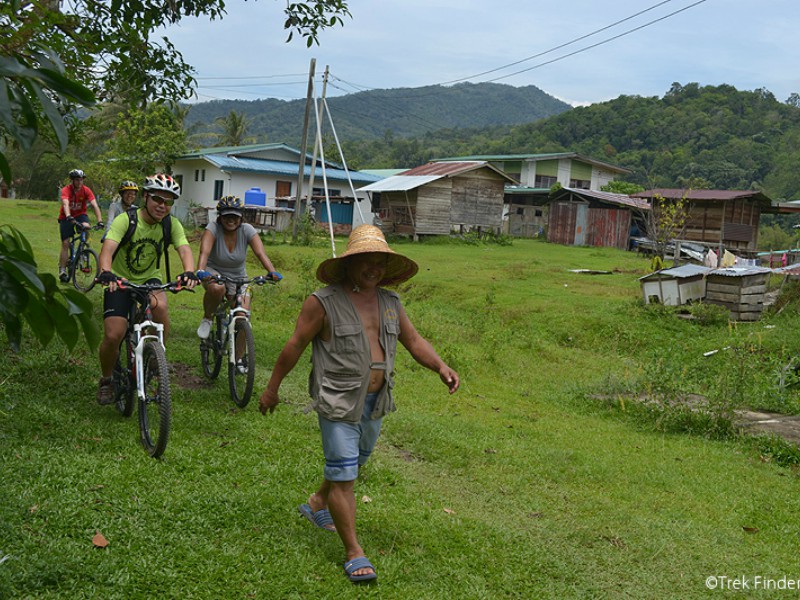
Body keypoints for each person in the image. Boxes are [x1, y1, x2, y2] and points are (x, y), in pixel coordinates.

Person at [258, 224, 460, 584]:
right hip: (337, 400)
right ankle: (354, 552)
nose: (373, 268)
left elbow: (414, 341)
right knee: (346, 476)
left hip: (376, 401)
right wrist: (272, 389)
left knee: (352, 464)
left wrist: (441, 366)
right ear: (348, 263)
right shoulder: (323, 302)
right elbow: (294, 346)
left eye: (379, 261)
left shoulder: (390, 303)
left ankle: (318, 501)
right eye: (365, 259)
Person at [95, 173, 198, 405]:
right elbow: (108, 249)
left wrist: (189, 271)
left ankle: (156, 358)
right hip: (119, 280)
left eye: (168, 202)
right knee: (114, 334)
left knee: (160, 306)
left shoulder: (171, 224)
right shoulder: (126, 220)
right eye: (157, 199)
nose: (162, 206)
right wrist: (106, 271)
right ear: (145, 197)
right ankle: (107, 379)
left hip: (150, 279)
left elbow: (184, 249)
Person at [196, 195, 282, 345]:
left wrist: (272, 271)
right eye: (227, 216)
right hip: (214, 270)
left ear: (241, 217)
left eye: (235, 216)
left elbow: (261, 253)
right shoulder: (213, 228)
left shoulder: (247, 230)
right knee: (217, 288)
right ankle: (207, 318)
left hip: (238, 276)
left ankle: (240, 360)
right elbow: (204, 252)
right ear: (220, 217)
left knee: (243, 316)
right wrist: (201, 271)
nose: (231, 220)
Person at [58, 168, 104, 282]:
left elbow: (94, 205)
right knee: (65, 243)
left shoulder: (86, 190)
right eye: (77, 180)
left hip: (80, 214)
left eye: (81, 180)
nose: (80, 182)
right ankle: (62, 269)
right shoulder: (66, 190)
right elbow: (65, 203)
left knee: (86, 227)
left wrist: (100, 221)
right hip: (66, 217)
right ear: (72, 180)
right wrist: (68, 215)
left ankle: (83, 252)